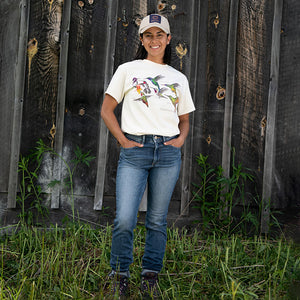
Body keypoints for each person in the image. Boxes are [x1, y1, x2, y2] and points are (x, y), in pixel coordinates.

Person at [101, 13, 195, 298]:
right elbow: (107, 110)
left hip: (167, 154)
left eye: (160, 35)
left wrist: (179, 140)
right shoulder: (128, 70)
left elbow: (185, 119)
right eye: (148, 35)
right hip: (136, 151)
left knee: (156, 220)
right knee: (125, 219)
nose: (155, 40)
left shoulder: (178, 78)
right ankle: (119, 275)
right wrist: (123, 140)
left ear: (168, 39)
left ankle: (150, 276)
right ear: (141, 39)